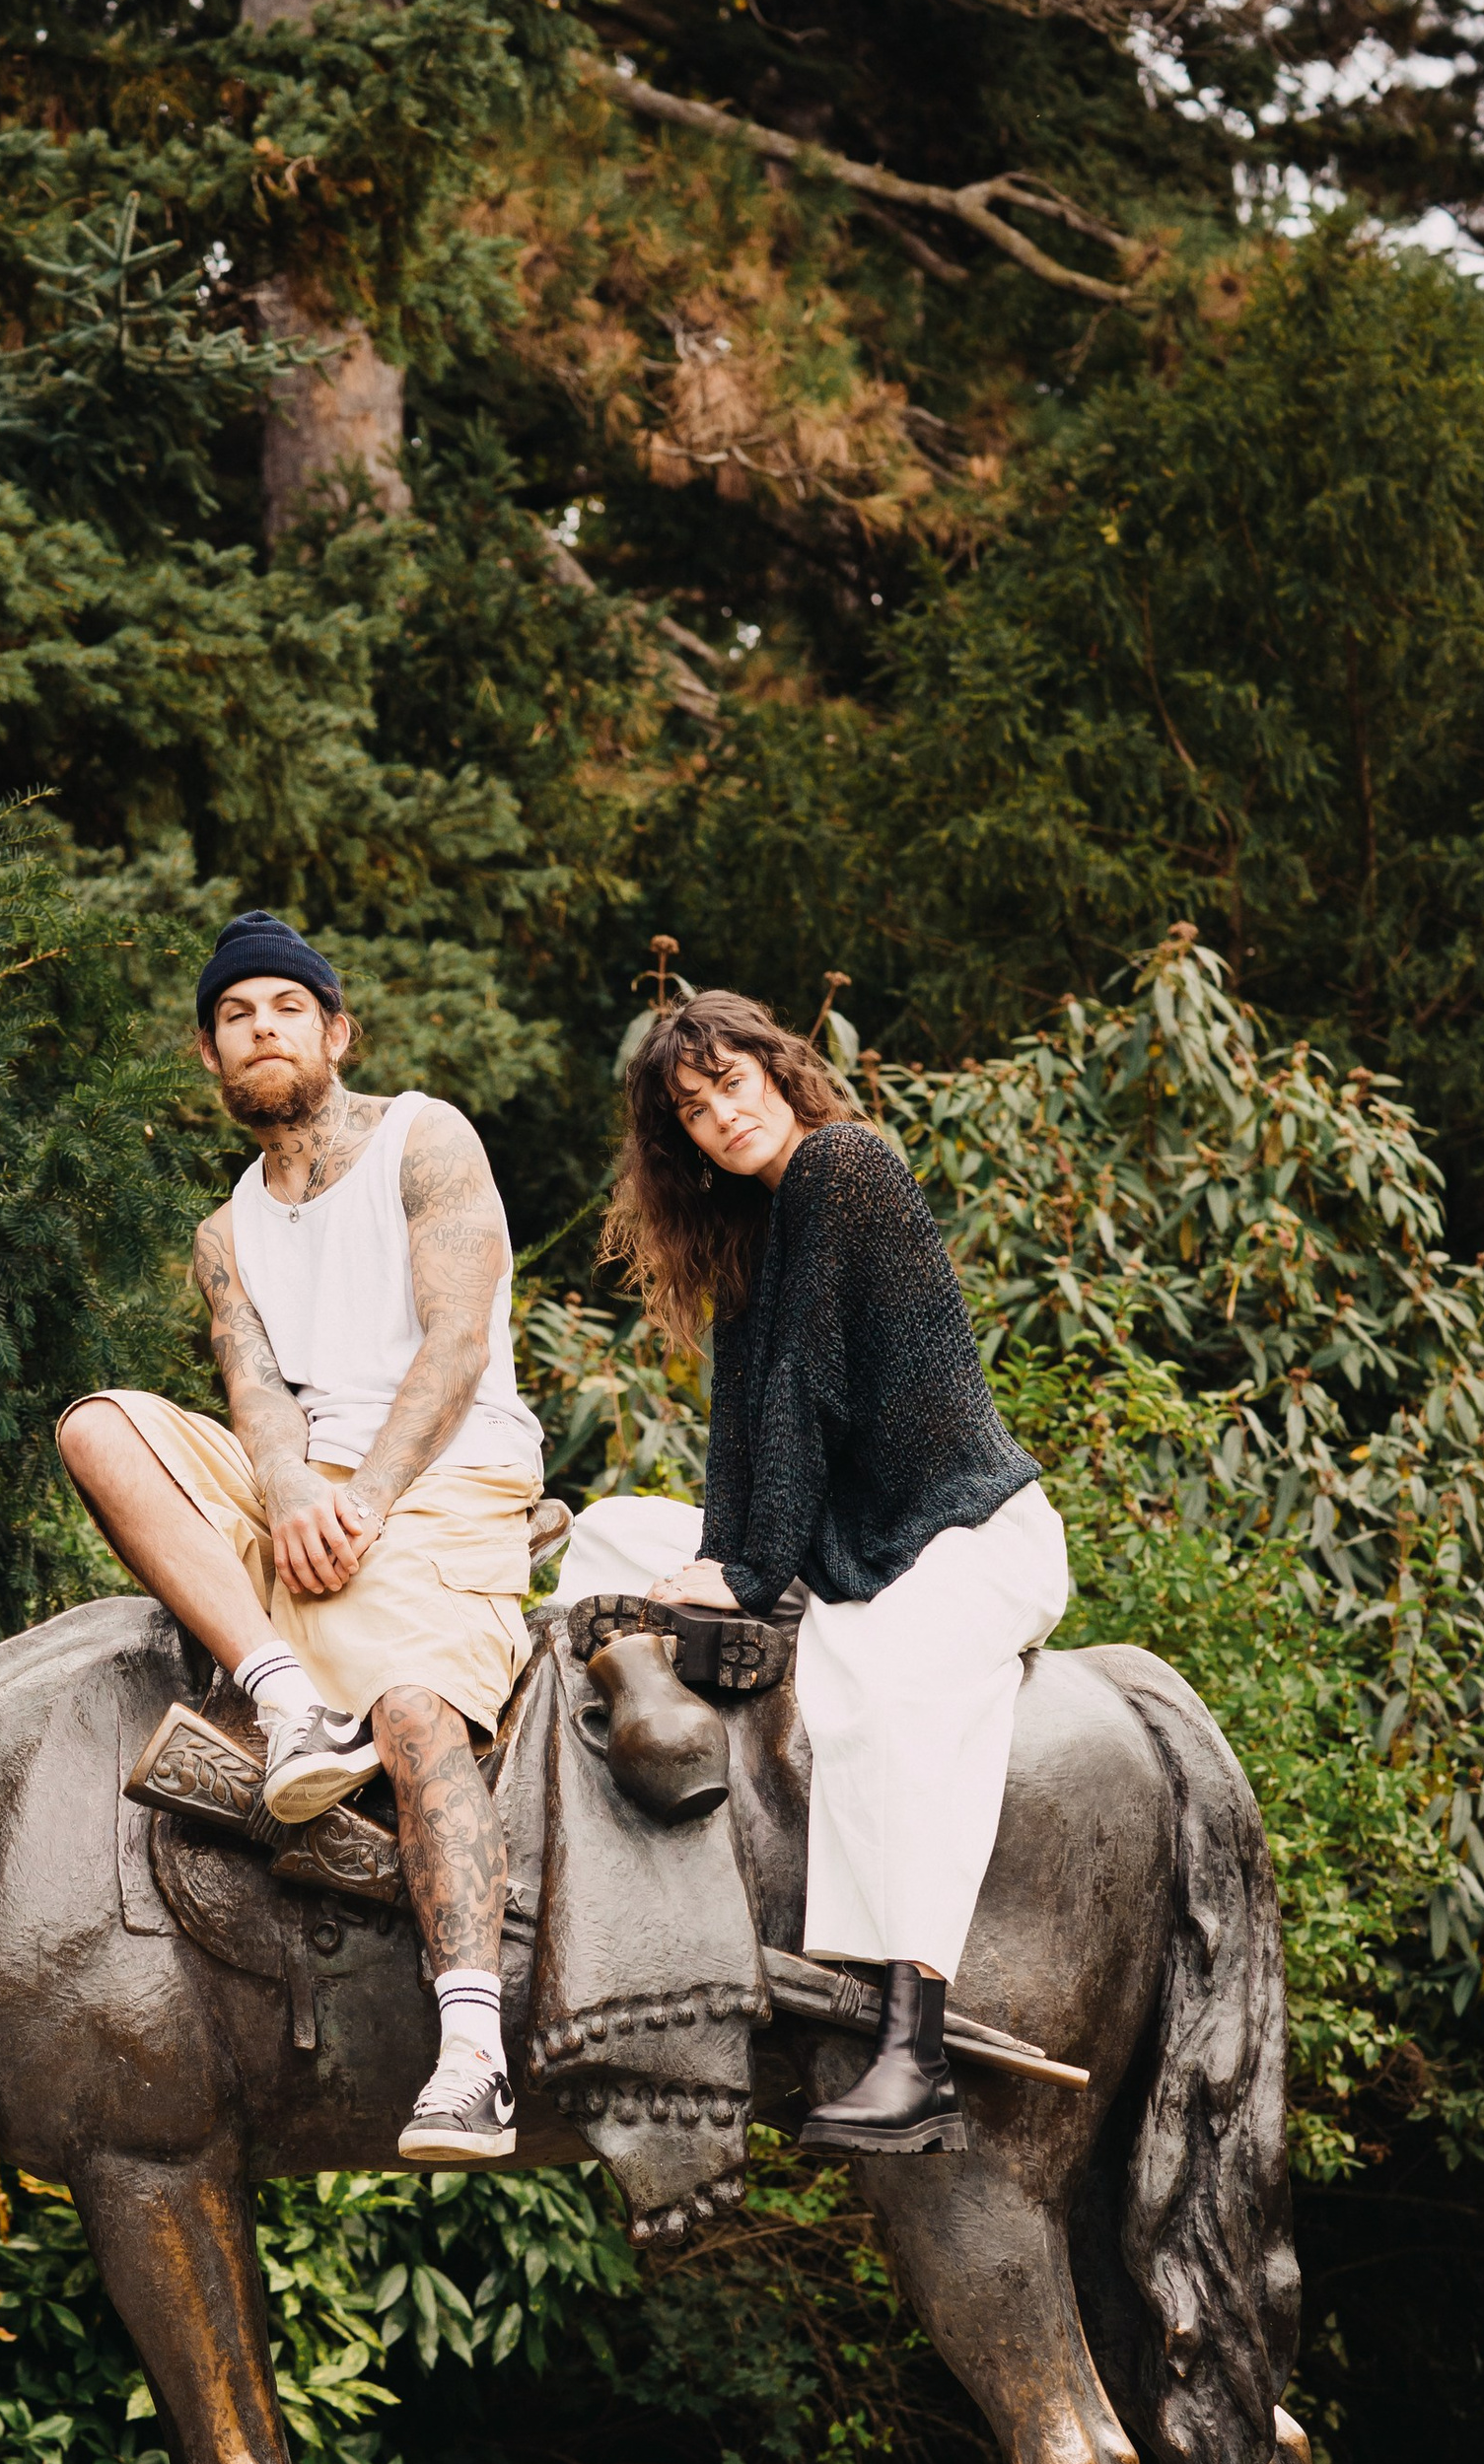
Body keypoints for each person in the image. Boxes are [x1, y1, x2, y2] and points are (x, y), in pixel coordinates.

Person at [58, 910, 546, 2166]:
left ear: (334, 1031)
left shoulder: (422, 1141)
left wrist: (364, 1499)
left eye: (285, 1007)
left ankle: (473, 2054)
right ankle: (281, 1698)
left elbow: (455, 1340)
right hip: (307, 1485)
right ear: (211, 1059)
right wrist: (286, 1497)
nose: (260, 1029)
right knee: (99, 1428)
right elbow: (255, 1395)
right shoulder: (224, 1231)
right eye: (234, 1015)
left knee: (416, 1706)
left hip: (440, 1474)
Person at [555, 991, 1070, 2156]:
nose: (718, 1117)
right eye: (690, 1109)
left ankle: (914, 2051)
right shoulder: (754, 1233)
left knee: (881, 1692)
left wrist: (746, 1577)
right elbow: (742, 1432)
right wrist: (712, 1557)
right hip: (848, 1555)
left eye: (731, 1084)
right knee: (605, 1535)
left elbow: (810, 1397)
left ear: (781, 1074)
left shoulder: (845, 1167)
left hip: (964, 1538)